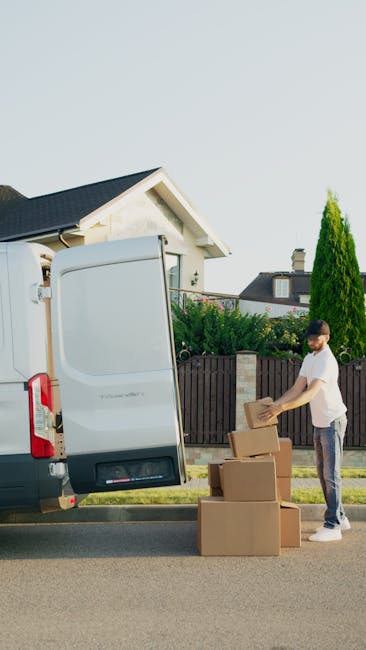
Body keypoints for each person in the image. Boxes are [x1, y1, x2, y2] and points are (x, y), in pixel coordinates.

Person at [261, 319, 349, 542]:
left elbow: (310, 393)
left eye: (315, 337)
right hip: (320, 422)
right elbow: (296, 388)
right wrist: (276, 404)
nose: (311, 341)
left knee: (331, 473)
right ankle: (340, 516)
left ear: (326, 337)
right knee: (322, 472)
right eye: (309, 338)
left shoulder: (327, 361)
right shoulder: (310, 359)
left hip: (332, 421)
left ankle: (333, 525)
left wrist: (282, 409)